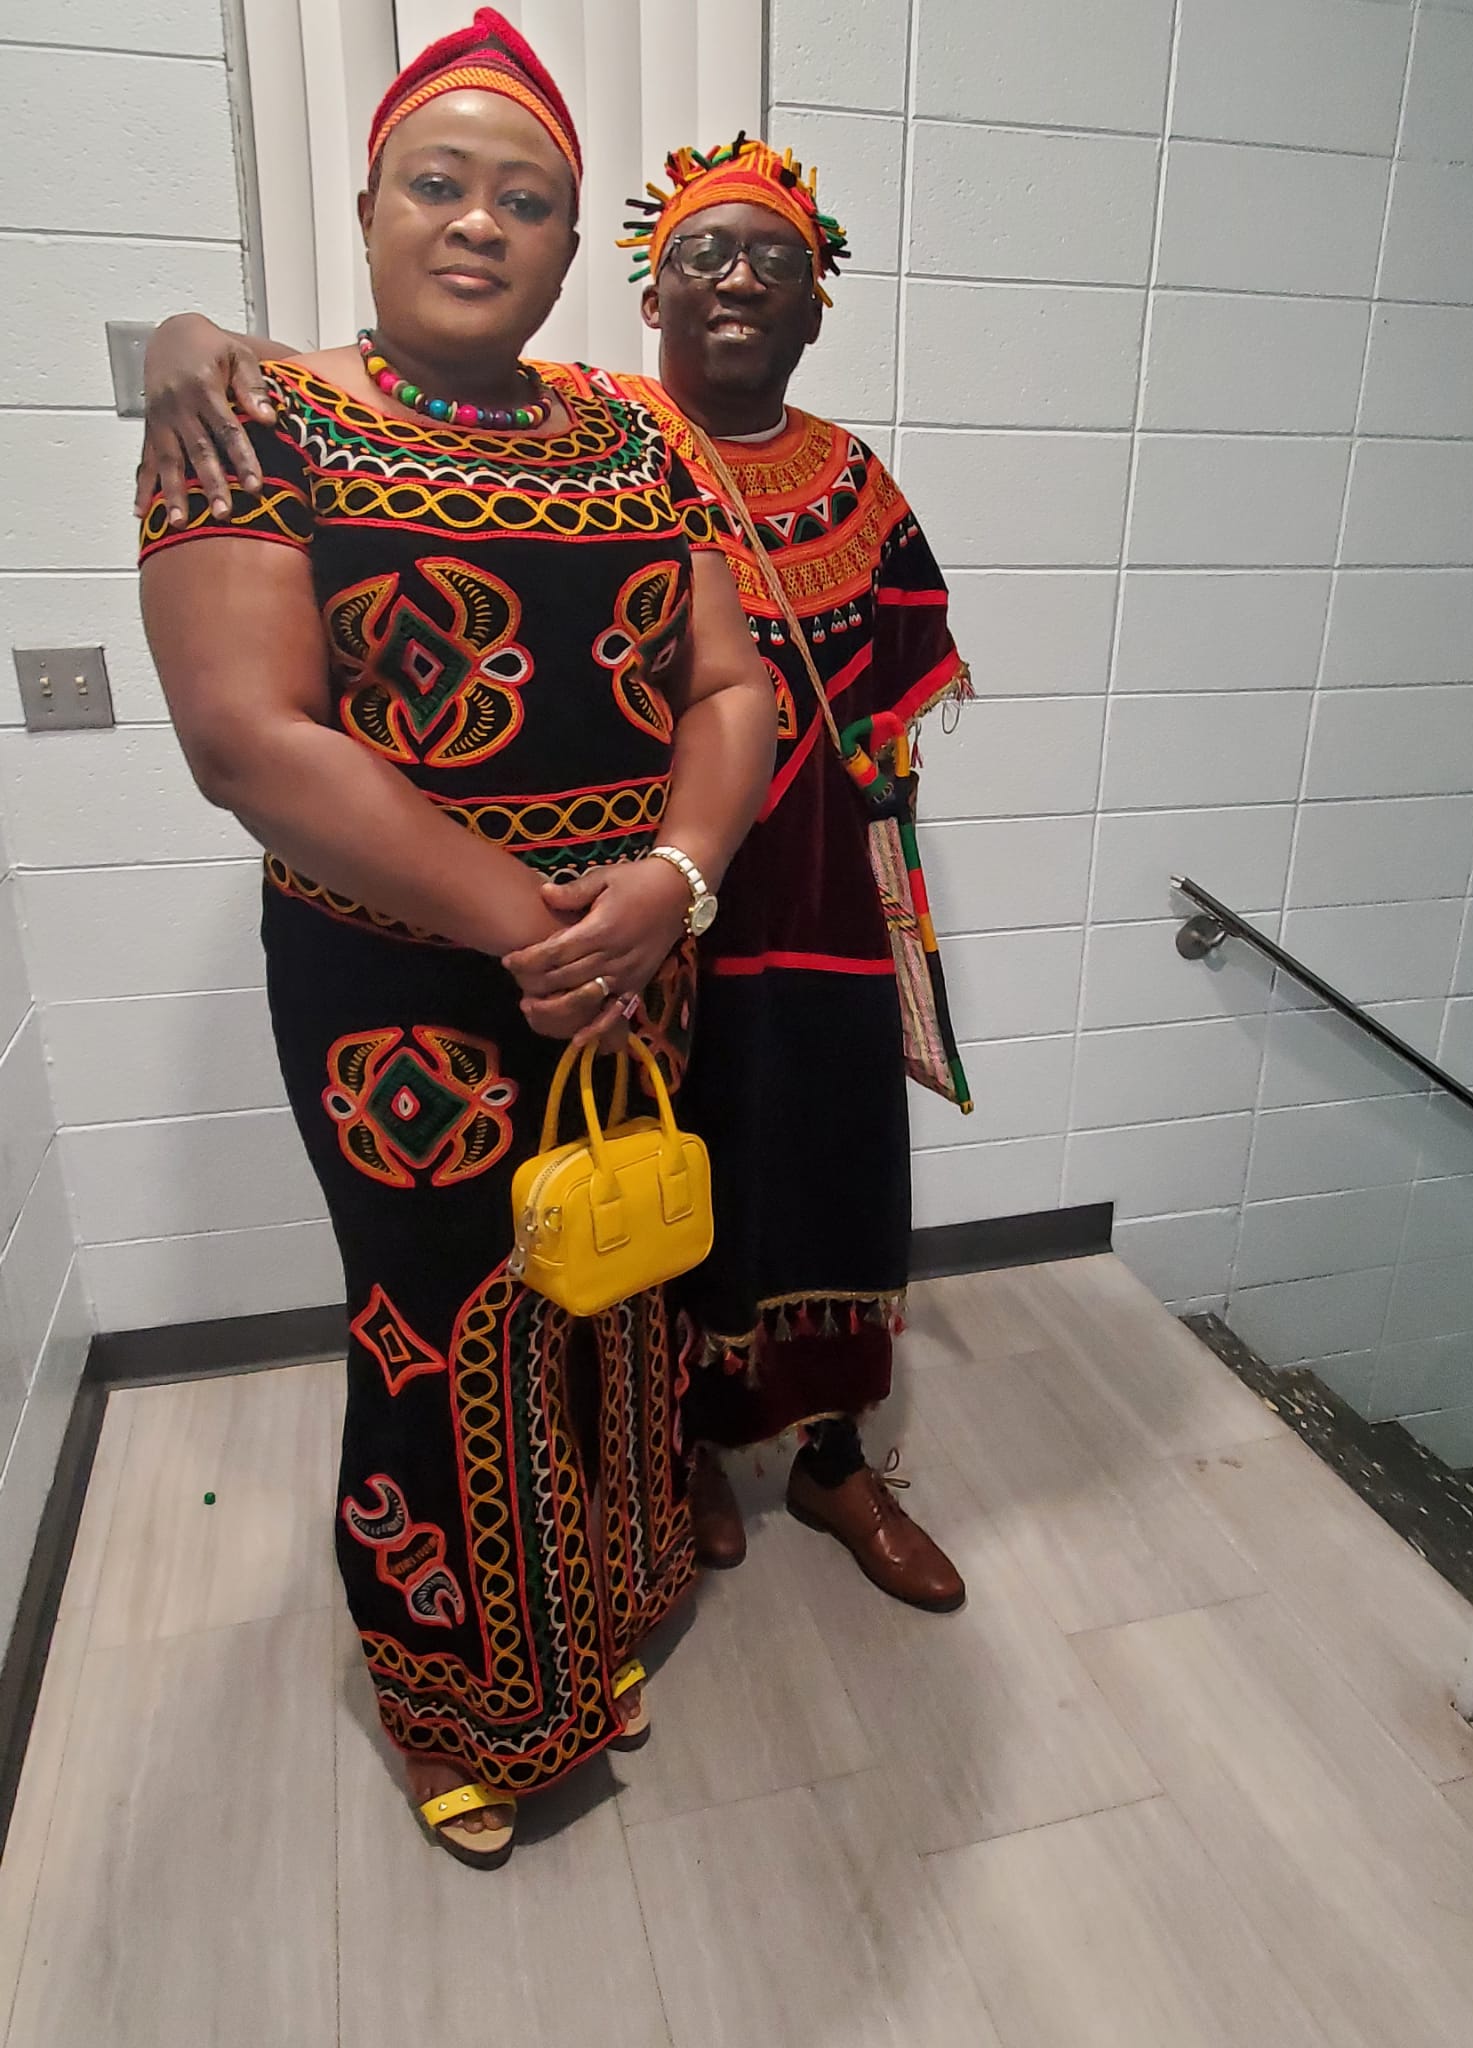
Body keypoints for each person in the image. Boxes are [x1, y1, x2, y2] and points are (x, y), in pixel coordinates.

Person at [137, 140, 971, 1615]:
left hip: (757, 913)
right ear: (646, 290)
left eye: (773, 261)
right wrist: (183, 336)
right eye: (703, 255)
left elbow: (816, 703)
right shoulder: (590, 419)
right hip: (510, 952)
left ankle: (790, 1479)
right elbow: (251, 715)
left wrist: (717, 883)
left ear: (816, 302)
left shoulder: (754, 460)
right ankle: (546, 1601)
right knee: (498, 1282)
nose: (736, 284)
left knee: (761, 1201)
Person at [137, 10, 775, 1870]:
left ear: (571, 251)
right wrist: (537, 931)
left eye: (527, 200)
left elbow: (728, 686)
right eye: (439, 182)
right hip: (401, 996)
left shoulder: (644, 431)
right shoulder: (254, 422)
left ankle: (596, 1634)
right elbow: (248, 740)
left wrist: (670, 886)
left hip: (639, 961)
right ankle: (456, 1701)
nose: (480, 221)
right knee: (441, 1329)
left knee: (619, 1286)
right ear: (367, 210)